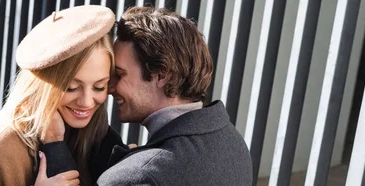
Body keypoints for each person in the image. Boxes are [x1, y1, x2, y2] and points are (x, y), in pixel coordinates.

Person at [41, 6, 254, 185]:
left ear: (161, 75)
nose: (110, 87)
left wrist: (54, 144)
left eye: (119, 74)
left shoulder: (137, 177)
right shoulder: (233, 143)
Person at [0, 5, 126, 186]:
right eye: (72, 88)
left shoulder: (97, 132)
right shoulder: (5, 146)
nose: (86, 102)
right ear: (44, 86)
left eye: (99, 87)